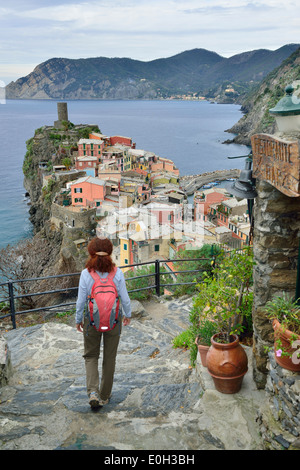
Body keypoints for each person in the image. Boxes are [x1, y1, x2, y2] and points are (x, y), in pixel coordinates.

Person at [76, 237, 131, 409]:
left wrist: (78, 319)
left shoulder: (86, 274)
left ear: (91, 253)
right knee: (109, 358)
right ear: (110, 253)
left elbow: (80, 301)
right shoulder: (118, 273)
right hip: (114, 321)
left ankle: (93, 392)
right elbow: (125, 298)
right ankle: (105, 395)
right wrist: (127, 314)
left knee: (91, 356)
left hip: (91, 321)